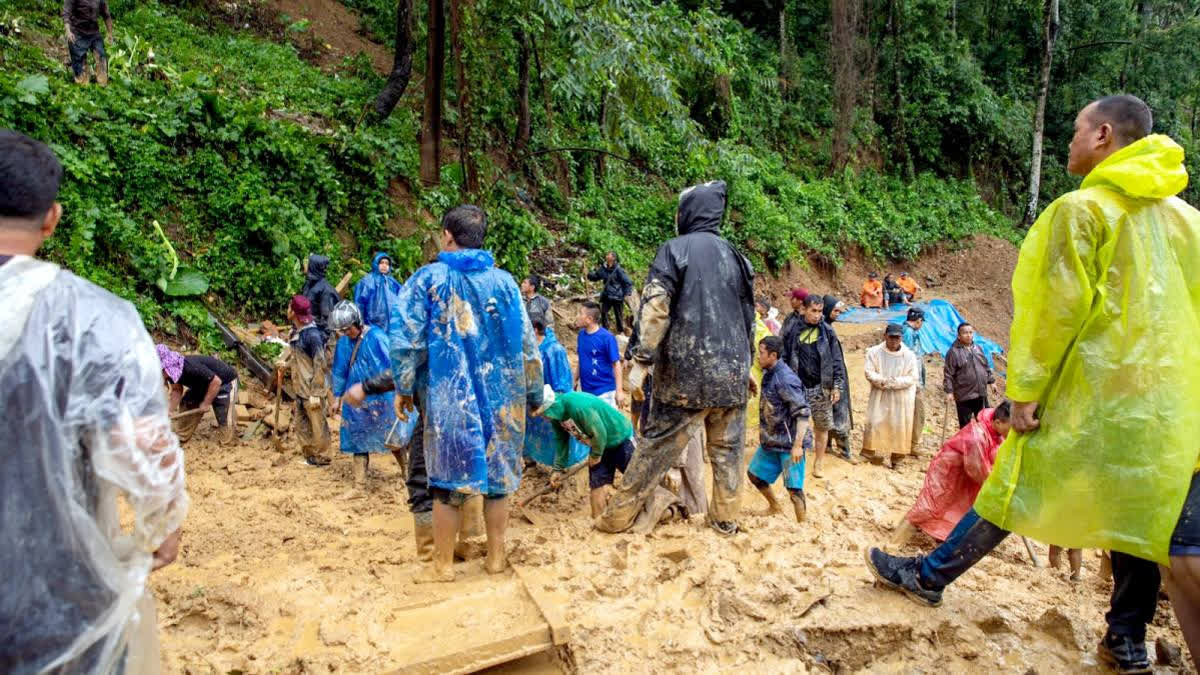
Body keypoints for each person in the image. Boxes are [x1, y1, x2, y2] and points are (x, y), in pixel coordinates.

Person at [864, 95, 1200, 674]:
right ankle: (1125, 638)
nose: (1068, 141)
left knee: (1011, 486)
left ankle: (928, 576)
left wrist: (1024, 390)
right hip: (1165, 408)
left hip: (1088, 395)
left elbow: (1050, 312)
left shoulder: (1083, 211)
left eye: (1073, 130)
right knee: (1136, 516)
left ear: (1101, 136)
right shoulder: (1188, 220)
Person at [0, 130, 186, 672]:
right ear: (51, 218)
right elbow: (140, 439)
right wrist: (162, 527)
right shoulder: (92, 319)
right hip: (59, 598)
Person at [389, 204, 544, 583]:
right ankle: (495, 557)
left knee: (445, 482)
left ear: (447, 235)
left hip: (449, 399)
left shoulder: (429, 279)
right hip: (503, 399)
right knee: (498, 480)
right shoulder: (507, 284)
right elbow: (528, 346)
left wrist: (404, 387)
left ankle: (441, 566)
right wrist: (535, 393)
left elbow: (405, 339)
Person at [597, 180, 755, 536]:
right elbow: (749, 318)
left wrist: (641, 358)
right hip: (730, 373)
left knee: (654, 449)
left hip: (685, 373)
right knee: (728, 451)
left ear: (688, 212)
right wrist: (745, 368)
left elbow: (655, 308)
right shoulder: (738, 258)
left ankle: (617, 518)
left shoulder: (674, 250)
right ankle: (725, 519)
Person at [892, 402, 1011, 546]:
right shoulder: (977, 436)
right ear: (998, 422)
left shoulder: (995, 431)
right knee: (928, 506)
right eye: (1011, 429)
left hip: (965, 473)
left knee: (957, 507)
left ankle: (941, 538)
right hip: (947, 471)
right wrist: (996, 487)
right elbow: (978, 470)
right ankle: (895, 542)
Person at [329, 301, 399, 489]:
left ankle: (407, 473)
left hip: (381, 396)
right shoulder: (344, 343)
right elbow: (339, 370)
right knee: (357, 437)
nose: (346, 333)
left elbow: (392, 368)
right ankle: (359, 483)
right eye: (342, 330)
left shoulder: (377, 337)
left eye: (348, 329)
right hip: (356, 399)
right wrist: (337, 397)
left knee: (392, 436)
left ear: (357, 322)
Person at [540, 389, 636, 518]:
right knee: (597, 484)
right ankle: (598, 521)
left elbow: (599, 432)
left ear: (550, 407)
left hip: (619, 438)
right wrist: (558, 469)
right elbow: (561, 441)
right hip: (598, 444)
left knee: (636, 479)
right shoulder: (557, 417)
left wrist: (596, 455)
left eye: (543, 414)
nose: (543, 417)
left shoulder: (578, 406)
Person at [746, 336, 812, 523]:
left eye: (762, 353)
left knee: (793, 489)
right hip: (772, 440)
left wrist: (798, 445)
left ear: (773, 355)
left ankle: (803, 523)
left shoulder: (785, 379)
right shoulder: (769, 373)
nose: (759, 357)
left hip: (790, 443)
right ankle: (774, 506)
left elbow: (803, 413)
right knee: (754, 476)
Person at [781, 294, 844, 478]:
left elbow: (836, 359)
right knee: (794, 425)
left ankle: (819, 462)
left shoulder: (827, 332)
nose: (817, 315)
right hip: (797, 387)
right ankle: (794, 462)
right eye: (813, 311)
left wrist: (837, 385)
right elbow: (783, 355)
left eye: (819, 311)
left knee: (822, 426)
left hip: (820, 386)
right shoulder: (792, 330)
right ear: (804, 310)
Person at [275, 294, 332, 467]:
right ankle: (310, 456)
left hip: (311, 389)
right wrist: (286, 364)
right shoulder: (296, 332)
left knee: (317, 424)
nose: (287, 310)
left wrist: (316, 391)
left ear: (293, 312)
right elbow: (300, 359)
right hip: (300, 387)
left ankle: (323, 456)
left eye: (289, 307)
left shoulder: (312, 336)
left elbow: (320, 364)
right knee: (302, 424)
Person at [525, 317, 583, 468]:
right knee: (534, 432)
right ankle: (532, 460)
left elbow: (563, 381)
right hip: (533, 399)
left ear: (535, 329)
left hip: (551, 401)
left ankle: (562, 465)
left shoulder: (554, 350)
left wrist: (558, 404)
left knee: (558, 435)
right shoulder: (528, 349)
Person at [861, 324, 920, 468]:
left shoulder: (909, 355)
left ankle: (897, 458)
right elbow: (869, 372)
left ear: (901, 338)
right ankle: (868, 452)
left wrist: (894, 382)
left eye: (897, 337)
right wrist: (882, 381)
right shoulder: (874, 352)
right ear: (885, 336)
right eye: (891, 336)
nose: (894, 340)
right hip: (880, 392)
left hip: (902, 396)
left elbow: (912, 377)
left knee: (900, 425)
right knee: (874, 421)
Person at [157, 345, 239, 444]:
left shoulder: (191, 367)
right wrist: (169, 411)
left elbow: (216, 382)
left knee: (224, 419)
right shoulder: (170, 373)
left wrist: (206, 403)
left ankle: (228, 440)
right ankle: (182, 436)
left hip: (224, 382)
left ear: (165, 367)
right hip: (202, 385)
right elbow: (177, 390)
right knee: (188, 402)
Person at [822, 295, 855, 462]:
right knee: (839, 411)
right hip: (832, 377)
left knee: (829, 410)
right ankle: (844, 451)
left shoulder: (825, 328)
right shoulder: (825, 330)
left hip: (830, 376)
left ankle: (827, 445)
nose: (837, 314)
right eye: (835, 310)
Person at [943, 322, 993, 428]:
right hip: (964, 396)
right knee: (966, 426)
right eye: (965, 333)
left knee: (985, 422)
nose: (969, 335)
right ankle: (967, 444)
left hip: (981, 393)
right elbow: (948, 374)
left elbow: (985, 366)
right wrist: (949, 392)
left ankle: (985, 443)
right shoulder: (953, 352)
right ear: (959, 336)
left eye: (970, 332)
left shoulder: (978, 348)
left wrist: (992, 382)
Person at [575, 301, 624, 409]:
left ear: (589, 319)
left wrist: (619, 390)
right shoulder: (581, 336)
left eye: (580, 313)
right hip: (586, 391)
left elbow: (616, 364)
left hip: (605, 392)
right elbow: (581, 360)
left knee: (606, 425)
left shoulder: (607, 338)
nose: (577, 316)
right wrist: (574, 380)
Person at [63, 0, 113, 85]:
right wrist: (68, 31)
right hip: (77, 32)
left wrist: (110, 33)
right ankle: (82, 81)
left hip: (94, 32)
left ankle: (102, 83)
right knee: (80, 66)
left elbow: (106, 15)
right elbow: (66, 14)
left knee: (101, 57)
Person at [900, 308, 927, 454]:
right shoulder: (908, 333)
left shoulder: (907, 331)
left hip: (910, 379)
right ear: (918, 320)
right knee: (918, 412)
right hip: (912, 381)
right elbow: (909, 358)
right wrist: (916, 382)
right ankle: (913, 444)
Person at [353, 251, 401, 331]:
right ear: (376, 264)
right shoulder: (367, 282)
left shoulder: (392, 283)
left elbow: (403, 298)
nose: (384, 265)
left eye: (387, 263)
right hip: (371, 326)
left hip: (391, 326)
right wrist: (361, 324)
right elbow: (359, 304)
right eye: (382, 263)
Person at [587, 251, 634, 332]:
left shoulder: (619, 270)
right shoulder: (604, 268)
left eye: (609, 254)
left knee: (618, 316)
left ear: (613, 258)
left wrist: (627, 293)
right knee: (603, 312)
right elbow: (597, 276)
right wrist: (589, 275)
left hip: (617, 297)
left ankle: (620, 331)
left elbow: (628, 282)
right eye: (607, 254)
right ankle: (605, 330)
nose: (607, 255)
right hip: (607, 296)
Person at [301, 253, 340, 338]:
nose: (305, 265)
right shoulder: (308, 284)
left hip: (317, 334)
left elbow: (327, 322)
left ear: (313, 267)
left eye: (308, 264)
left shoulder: (326, 291)